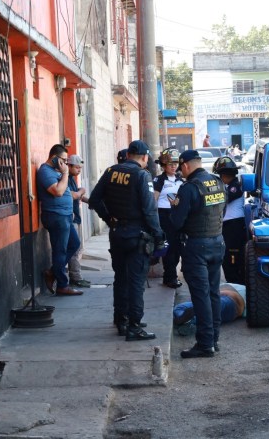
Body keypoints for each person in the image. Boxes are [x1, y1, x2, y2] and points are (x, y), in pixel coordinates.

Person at [88, 140, 167, 341]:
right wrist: (158, 235)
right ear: (143, 157)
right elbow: (150, 210)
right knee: (136, 282)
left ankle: (121, 319)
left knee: (120, 278)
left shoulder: (110, 172)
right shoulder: (142, 175)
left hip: (117, 233)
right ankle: (134, 326)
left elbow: (95, 200)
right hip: (137, 235)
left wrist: (109, 218)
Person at [170, 150, 227, 358]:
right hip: (217, 242)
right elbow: (223, 211)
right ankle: (213, 340)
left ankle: (204, 344)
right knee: (213, 293)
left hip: (196, 246)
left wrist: (173, 208)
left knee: (201, 296)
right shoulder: (218, 182)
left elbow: (177, 222)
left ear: (185, 166)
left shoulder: (188, 188)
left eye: (180, 167)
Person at [36, 144, 83, 296]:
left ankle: (52, 272)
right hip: (56, 216)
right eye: (63, 159)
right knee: (60, 250)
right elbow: (58, 191)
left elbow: (68, 193)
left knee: (74, 244)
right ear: (54, 158)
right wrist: (65, 174)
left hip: (66, 216)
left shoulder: (56, 172)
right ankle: (63, 285)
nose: (65, 163)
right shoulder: (45, 171)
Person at [153, 147, 184, 288]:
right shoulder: (159, 180)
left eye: (175, 163)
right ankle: (170, 277)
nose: (173, 166)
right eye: (170, 164)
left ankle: (171, 275)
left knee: (177, 248)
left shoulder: (180, 180)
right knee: (169, 249)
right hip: (163, 216)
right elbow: (154, 200)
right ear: (164, 165)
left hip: (177, 216)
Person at [213, 156, 246, 284]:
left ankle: (237, 287)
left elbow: (222, 201)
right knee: (227, 258)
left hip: (234, 227)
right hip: (228, 226)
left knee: (233, 259)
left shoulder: (235, 187)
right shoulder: (228, 186)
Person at [173, 283, 246, 330]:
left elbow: (216, 293)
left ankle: (187, 320)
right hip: (231, 315)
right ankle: (189, 322)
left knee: (180, 307)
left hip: (228, 301)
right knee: (207, 318)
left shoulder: (242, 289)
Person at [67, 155, 91, 288]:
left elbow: (79, 196)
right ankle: (75, 277)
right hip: (70, 218)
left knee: (76, 248)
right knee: (74, 248)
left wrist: (90, 201)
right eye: (76, 167)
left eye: (80, 168)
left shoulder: (72, 179)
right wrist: (81, 191)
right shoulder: (64, 178)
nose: (79, 170)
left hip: (75, 216)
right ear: (69, 166)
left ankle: (76, 276)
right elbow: (73, 194)